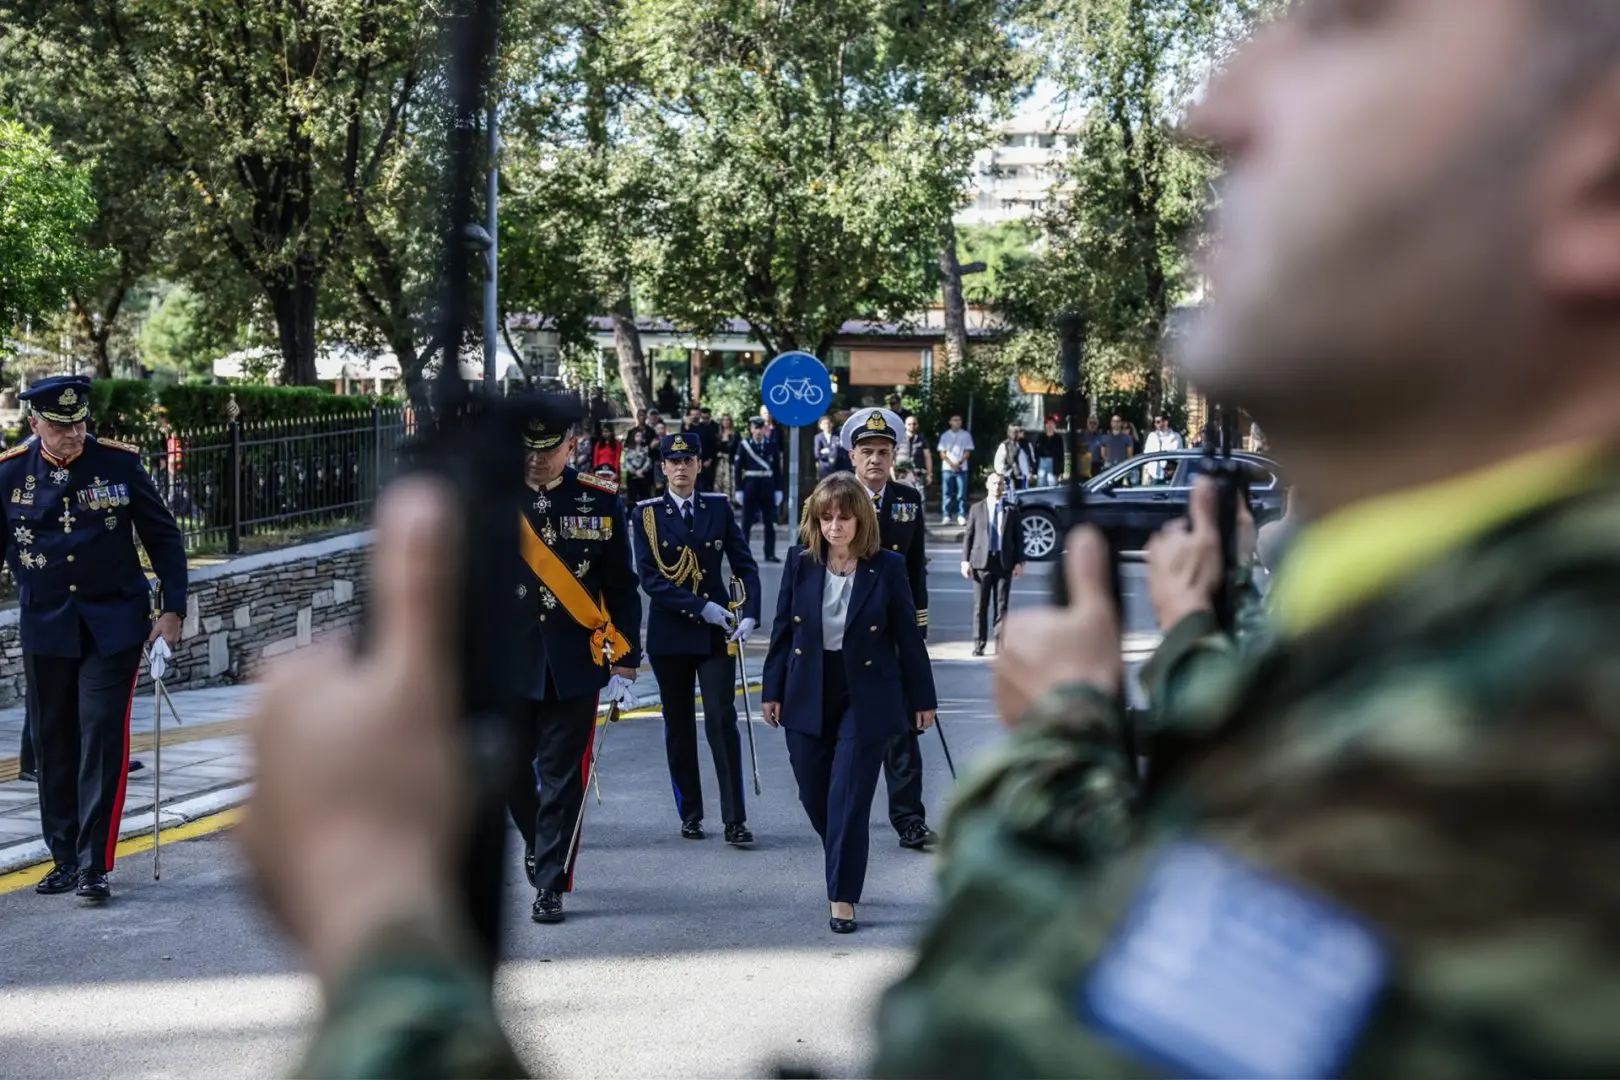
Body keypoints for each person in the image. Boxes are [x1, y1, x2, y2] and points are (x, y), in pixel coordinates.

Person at [873, 3, 1620, 1075]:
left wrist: (1055, 742)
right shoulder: (1465, 617)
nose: (1214, 112)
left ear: (1600, 177)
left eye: (1349, 28)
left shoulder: (1543, 709)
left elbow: (1000, 1048)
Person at [3, 375, 187, 901]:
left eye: (80, 423)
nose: (74, 434)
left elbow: (163, 537)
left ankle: (93, 865)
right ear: (35, 423)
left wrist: (172, 609)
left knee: (102, 734)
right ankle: (63, 857)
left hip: (114, 624)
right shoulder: (10, 473)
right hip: (46, 626)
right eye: (61, 427)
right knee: (53, 741)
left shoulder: (119, 464)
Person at [760, 472, 937, 933]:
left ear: (861, 519)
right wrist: (771, 690)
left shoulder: (888, 567)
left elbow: (908, 638)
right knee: (814, 794)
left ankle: (842, 897)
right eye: (826, 518)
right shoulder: (800, 563)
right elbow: (782, 632)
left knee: (850, 796)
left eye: (843, 517)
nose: (834, 526)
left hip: (867, 691)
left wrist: (923, 698)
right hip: (807, 687)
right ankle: (843, 851)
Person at [508, 416, 641, 925]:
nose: (537, 459)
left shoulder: (599, 500)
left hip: (574, 661)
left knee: (563, 779)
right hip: (509, 663)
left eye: (548, 448)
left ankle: (550, 883)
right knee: (505, 769)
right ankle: (536, 839)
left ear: (571, 446)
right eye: (529, 448)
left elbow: (621, 585)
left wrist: (625, 659)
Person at [631, 432, 761, 845]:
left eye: (688, 460)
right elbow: (651, 579)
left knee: (722, 719)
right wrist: (700, 607)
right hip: (671, 634)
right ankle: (690, 813)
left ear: (700, 465)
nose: (681, 468)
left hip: (715, 634)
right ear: (663, 468)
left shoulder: (718, 508)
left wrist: (751, 612)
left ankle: (735, 819)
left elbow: (744, 563)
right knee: (680, 725)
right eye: (674, 461)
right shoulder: (646, 515)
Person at [839, 407, 936, 852]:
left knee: (902, 731)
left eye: (883, 451)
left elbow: (916, 569)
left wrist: (917, 627)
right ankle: (840, 815)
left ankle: (910, 820)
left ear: (894, 455)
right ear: (853, 457)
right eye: (867, 452)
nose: (875, 459)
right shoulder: (833, 498)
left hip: (892, 633)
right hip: (843, 630)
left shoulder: (907, 500)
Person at [959, 473, 1024, 656]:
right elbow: (969, 536)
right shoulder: (977, 508)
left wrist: (1019, 562)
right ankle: (978, 644)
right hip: (981, 562)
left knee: (1001, 606)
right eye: (994, 483)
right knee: (980, 606)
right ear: (988, 485)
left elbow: (1019, 539)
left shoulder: (1012, 510)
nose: (997, 487)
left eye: (1001, 483)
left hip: (1004, 563)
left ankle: (1000, 644)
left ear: (1004, 486)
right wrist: (965, 561)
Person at [735, 417, 781, 563]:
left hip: (767, 485)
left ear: (764, 429)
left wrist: (778, 489)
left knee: (769, 522)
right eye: (756, 428)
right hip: (750, 485)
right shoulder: (744, 445)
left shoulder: (771, 444)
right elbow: (738, 468)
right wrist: (739, 489)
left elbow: (777, 469)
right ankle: (744, 554)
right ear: (751, 429)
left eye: (760, 428)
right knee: (746, 522)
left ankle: (770, 553)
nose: (758, 431)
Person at [935, 413, 973, 525]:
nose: (957, 422)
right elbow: (942, 453)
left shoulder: (966, 435)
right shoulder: (945, 435)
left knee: (961, 494)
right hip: (947, 468)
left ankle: (961, 515)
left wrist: (959, 463)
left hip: (962, 468)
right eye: (954, 420)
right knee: (947, 493)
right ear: (950, 422)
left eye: (959, 420)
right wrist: (952, 464)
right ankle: (946, 515)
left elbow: (967, 451)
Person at [1142, 413, 1185, 483]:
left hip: (1169, 475)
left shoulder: (1175, 437)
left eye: (1158, 422)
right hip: (1153, 475)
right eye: (1155, 422)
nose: (1156, 424)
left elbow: (1177, 455)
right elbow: (1146, 454)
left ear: (1165, 422)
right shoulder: (1152, 436)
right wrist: (1147, 472)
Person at [896, 415, 932, 493]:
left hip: (918, 474)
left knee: (919, 497)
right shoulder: (899, 439)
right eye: (909, 424)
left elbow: (927, 457)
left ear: (917, 425)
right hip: (901, 474)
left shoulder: (922, 439)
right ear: (905, 425)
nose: (912, 426)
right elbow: (892, 456)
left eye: (914, 424)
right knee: (902, 498)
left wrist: (929, 475)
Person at [992, 424, 1033, 490]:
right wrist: (1003, 474)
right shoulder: (1005, 445)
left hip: (1022, 477)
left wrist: (1028, 473)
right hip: (1009, 478)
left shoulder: (1024, 444)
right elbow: (998, 463)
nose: (1021, 434)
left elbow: (1026, 461)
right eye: (1018, 432)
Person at [621, 427, 655, 505]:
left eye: (641, 436)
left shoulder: (646, 448)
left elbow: (648, 461)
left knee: (644, 496)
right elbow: (626, 462)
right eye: (637, 436)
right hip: (631, 474)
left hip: (643, 475)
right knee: (632, 497)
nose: (639, 438)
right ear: (633, 437)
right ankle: (631, 511)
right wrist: (634, 471)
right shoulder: (628, 448)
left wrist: (642, 470)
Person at [1032, 416, 1065, 489]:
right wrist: (1034, 471)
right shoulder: (1040, 437)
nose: (1050, 426)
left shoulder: (1058, 438)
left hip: (1053, 464)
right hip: (1041, 463)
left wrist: (1061, 472)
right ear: (1045, 426)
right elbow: (1036, 453)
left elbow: (1061, 455)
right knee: (1040, 484)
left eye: (1052, 424)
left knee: (1052, 484)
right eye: (1048, 424)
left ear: (1055, 426)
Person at [714, 414, 738, 497]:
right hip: (720, 462)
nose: (726, 422)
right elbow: (714, 448)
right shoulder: (718, 434)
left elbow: (738, 448)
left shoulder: (735, 434)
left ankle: (730, 500)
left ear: (730, 422)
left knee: (729, 481)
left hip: (731, 461)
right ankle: (719, 500)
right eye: (724, 420)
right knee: (719, 482)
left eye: (728, 420)